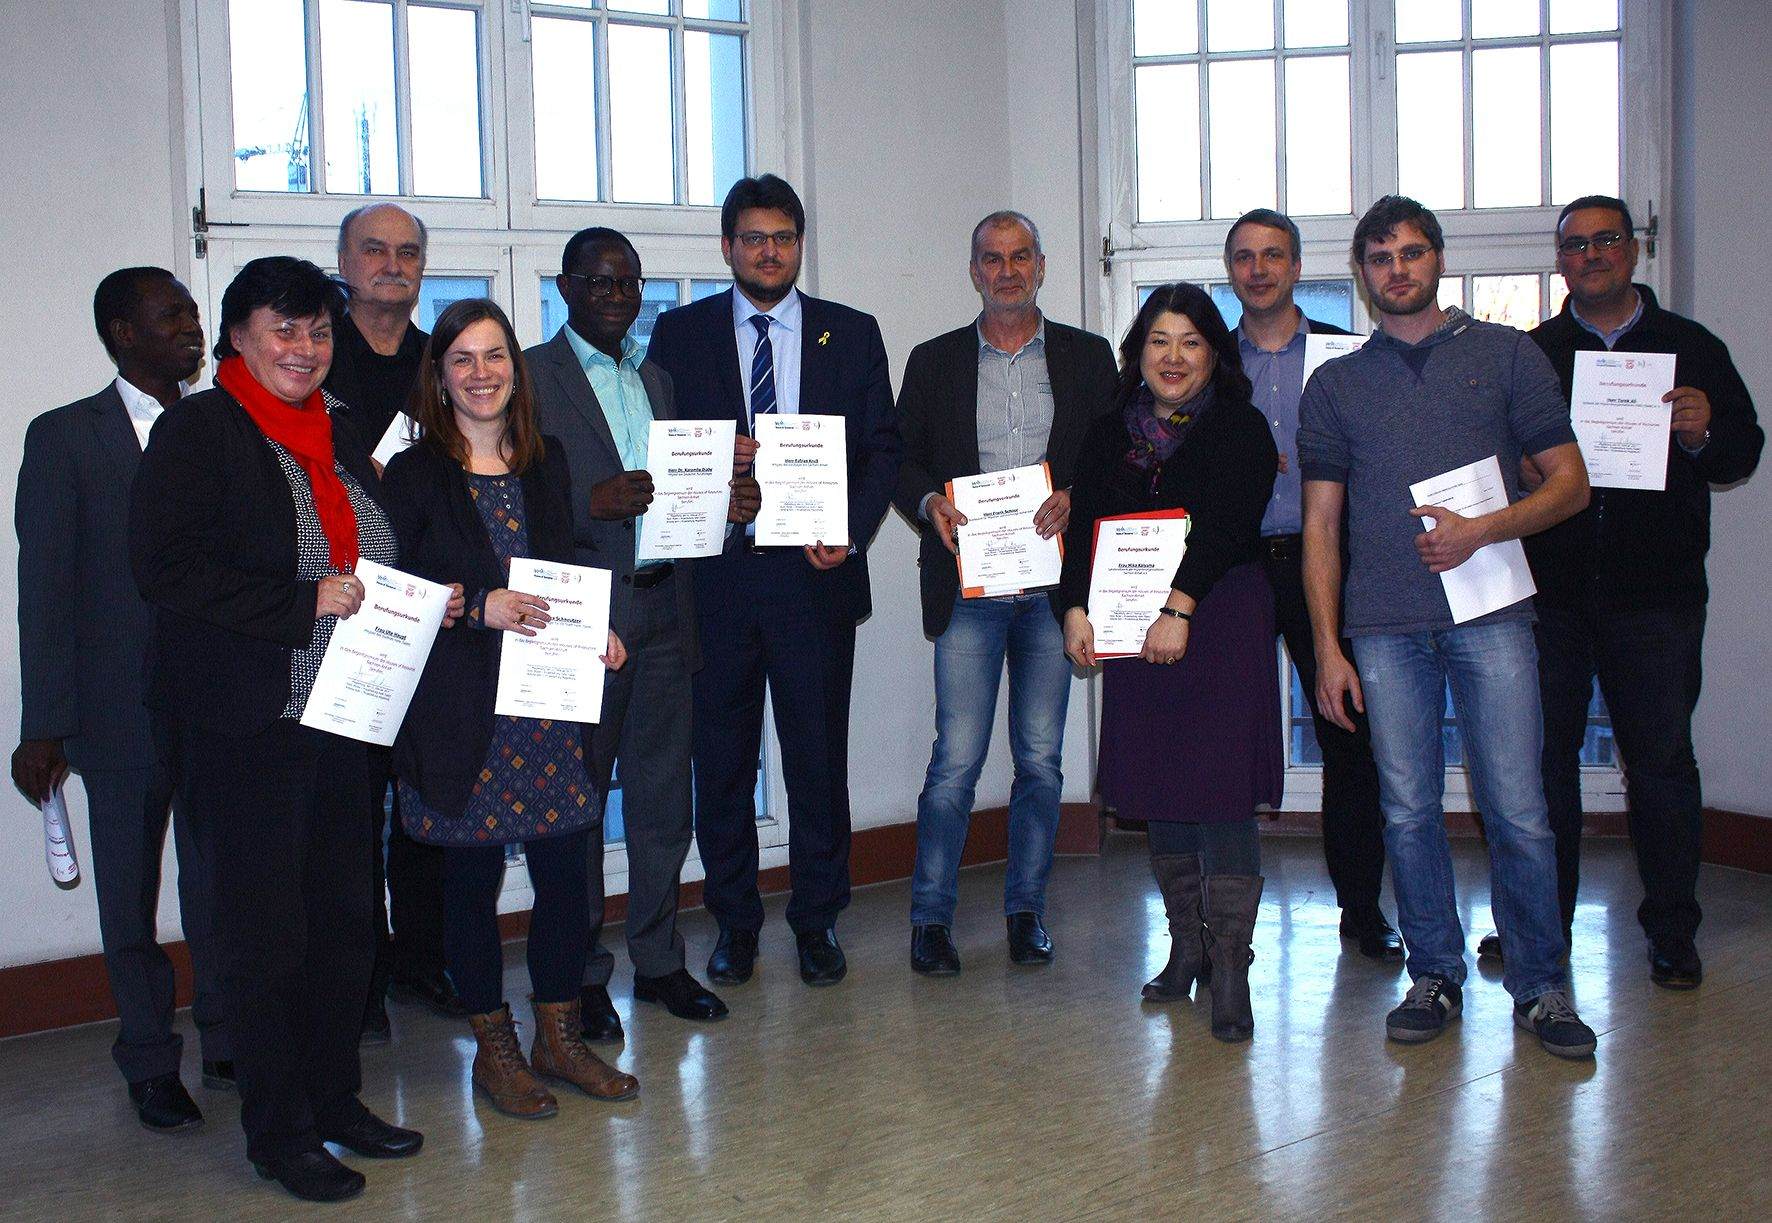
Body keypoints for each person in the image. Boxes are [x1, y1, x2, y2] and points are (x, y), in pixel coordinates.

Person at [130, 256, 436, 1201]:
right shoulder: (198, 431)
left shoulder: (335, 432)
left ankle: (335, 1098)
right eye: (283, 329)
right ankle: (280, 1129)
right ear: (237, 335)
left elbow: (379, 544)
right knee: (266, 936)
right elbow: (165, 570)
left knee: (347, 924)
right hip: (249, 726)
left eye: (317, 331)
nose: (303, 348)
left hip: (345, 720)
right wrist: (302, 602)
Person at [1298, 195, 1599, 1059]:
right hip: (1384, 630)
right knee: (1407, 810)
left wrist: (1482, 531)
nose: (1398, 268)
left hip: (1494, 617)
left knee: (1520, 810)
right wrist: (1327, 647)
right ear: (1362, 274)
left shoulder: (1508, 356)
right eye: (1381, 256)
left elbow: (1570, 484)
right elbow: (1320, 527)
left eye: (1413, 251)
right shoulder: (1336, 383)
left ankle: (1541, 984)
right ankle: (1433, 970)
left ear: (1439, 260)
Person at [382, 298, 639, 1121]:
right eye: (463, 358)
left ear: (514, 371)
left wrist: (593, 630)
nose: (482, 373)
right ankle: (494, 1051)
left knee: (567, 871)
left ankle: (557, 1036)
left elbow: (561, 566)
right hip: (462, 710)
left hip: (546, 701)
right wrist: (476, 606)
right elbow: (401, 590)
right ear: (441, 375)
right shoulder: (416, 473)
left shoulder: (545, 459)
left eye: (495, 356)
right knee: (471, 882)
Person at [646, 174, 901, 987]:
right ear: (728, 247)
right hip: (715, 584)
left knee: (817, 761)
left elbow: (882, 450)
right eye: (753, 238)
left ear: (800, 243)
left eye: (782, 237)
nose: (768, 251)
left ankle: (819, 919)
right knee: (720, 762)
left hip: (813, 584)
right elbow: (658, 450)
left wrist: (851, 531)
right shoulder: (678, 336)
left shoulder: (849, 334)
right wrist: (715, 463)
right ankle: (735, 922)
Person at [1505, 194, 1762, 988]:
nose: (1591, 255)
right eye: (1574, 245)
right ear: (1560, 262)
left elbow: (1739, 453)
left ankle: (1672, 930)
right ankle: (1543, 926)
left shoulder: (1691, 347)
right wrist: (1515, 469)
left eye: (1605, 240)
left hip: (1657, 598)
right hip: (1551, 597)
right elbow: (1500, 459)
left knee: (1660, 766)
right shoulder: (1536, 353)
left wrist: (1702, 431)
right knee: (1542, 766)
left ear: (1633, 251)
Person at [14, 266, 230, 1131]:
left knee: (218, 887)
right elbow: (47, 585)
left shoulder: (220, 428)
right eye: (170, 312)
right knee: (129, 896)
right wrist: (45, 723)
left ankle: (227, 1042)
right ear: (120, 332)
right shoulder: (66, 436)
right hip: (117, 710)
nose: (191, 324)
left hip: (217, 703)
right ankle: (147, 1059)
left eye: (191, 310)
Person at [527, 227, 757, 1035]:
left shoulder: (657, 377)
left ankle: (658, 959)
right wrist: (586, 504)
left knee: (662, 799)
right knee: (580, 804)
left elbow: (677, 501)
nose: (618, 297)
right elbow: (502, 498)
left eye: (629, 284)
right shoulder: (529, 377)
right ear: (566, 287)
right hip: (584, 617)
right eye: (601, 283)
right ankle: (581, 974)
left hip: (666, 611)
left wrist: (726, 508)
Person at [893, 210, 1117, 975]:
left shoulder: (1089, 358)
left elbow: (1121, 457)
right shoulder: (935, 361)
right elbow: (901, 459)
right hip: (969, 589)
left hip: (1054, 593)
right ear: (975, 269)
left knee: (1042, 760)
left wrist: (1079, 493)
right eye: (993, 259)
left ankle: (1026, 910)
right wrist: (930, 505)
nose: (1008, 271)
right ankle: (930, 919)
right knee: (955, 760)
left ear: (1042, 266)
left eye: (1021, 257)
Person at [1058, 283, 1279, 1042]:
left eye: (1190, 341)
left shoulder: (1240, 427)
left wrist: (1179, 607)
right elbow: (1084, 525)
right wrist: (1075, 605)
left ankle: (1230, 966)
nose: (1174, 357)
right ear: (1138, 353)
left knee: (1219, 791)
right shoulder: (1107, 433)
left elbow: (1227, 525)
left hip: (1217, 618)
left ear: (1214, 352)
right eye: (1159, 341)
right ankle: (1186, 947)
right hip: (1129, 621)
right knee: (1161, 784)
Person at [1223, 209, 1401, 961]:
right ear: (1229, 270)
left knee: (1346, 735)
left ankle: (1362, 910)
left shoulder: (1343, 353)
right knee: (1221, 737)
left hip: (1324, 560)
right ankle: (1222, 922)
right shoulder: (1204, 359)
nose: (1258, 269)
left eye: (1273, 256)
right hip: (1230, 565)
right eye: (1243, 258)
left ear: (1298, 266)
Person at [325, 202, 462, 1038]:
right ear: (343, 261)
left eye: (408, 252)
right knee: (347, 810)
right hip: (335, 616)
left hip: (427, 608)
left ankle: (419, 961)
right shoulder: (313, 354)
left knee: (423, 805)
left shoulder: (436, 364)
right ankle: (357, 978)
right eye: (374, 250)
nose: (392, 264)